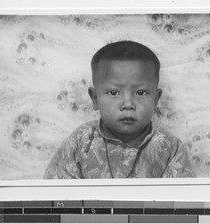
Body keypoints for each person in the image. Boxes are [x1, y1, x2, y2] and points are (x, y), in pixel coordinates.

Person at [44, 40, 195, 179]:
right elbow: (55, 194)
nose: (128, 104)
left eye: (140, 93)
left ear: (156, 99)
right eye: (114, 93)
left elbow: (183, 200)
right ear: (95, 98)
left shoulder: (170, 148)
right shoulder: (80, 142)